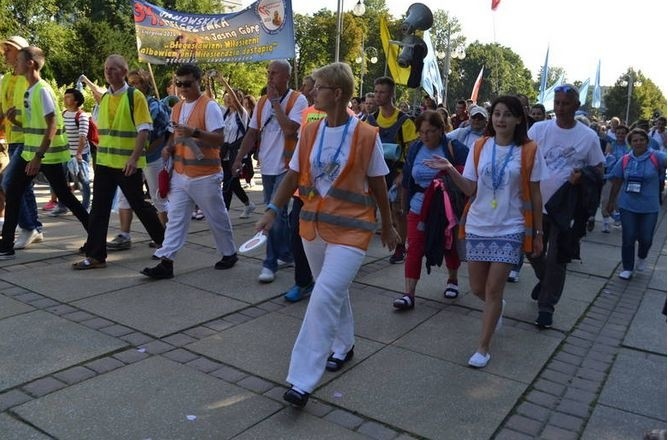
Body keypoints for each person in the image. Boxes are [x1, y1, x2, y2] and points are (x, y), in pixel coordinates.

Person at [256, 62, 399, 407]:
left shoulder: (365, 135)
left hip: (352, 232)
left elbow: (378, 182)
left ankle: (302, 380)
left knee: (322, 297)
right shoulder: (311, 130)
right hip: (314, 228)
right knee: (332, 293)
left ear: (336, 94)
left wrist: (388, 223)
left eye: (317, 87)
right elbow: (292, 175)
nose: (311, 91)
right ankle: (344, 345)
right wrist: (273, 210)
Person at [424, 95, 546, 368]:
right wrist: (448, 170)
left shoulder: (529, 150)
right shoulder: (480, 146)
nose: (500, 119)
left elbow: (536, 195)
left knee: (492, 290)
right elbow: (469, 188)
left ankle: (483, 347)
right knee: (478, 287)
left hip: (510, 227)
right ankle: (497, 308)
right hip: (479, 224)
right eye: (497, 114)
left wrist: (538, 233)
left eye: (507, 114)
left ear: (518, 119)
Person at [141, 63, 237, 279]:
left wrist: (195, 132)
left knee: (216, 216)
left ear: (198, 81)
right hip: (180, 174)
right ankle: (167, 261)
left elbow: (220, 139)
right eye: (179, 83)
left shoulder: (209, 106)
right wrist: (168, 147)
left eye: (187, 83)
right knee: (175, 218)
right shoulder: (177, 108)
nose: (183, 88)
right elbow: (175, 135)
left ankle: (229, 253)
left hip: (205, 175)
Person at [72, 54, 164, 270]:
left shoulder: (135, 96)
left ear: (124, 72)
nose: (109, 72)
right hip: (105, 162)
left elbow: (144, 129)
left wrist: (133, 158)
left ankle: (165, 242)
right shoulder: (104, 98)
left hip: (126, 164)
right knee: (99, 209)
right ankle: (95, 256)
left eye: (114, 69)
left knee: (139, 205)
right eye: (106, 69)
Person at [0, 46, 90, 259]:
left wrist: (38, 157)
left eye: (19, 61)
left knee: (66, 197)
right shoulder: (29, 89)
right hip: (30, 153)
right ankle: (6, 245)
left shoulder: (42, 89)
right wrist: (15, 121)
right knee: (12, 191)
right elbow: (35, 125)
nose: (15, 64)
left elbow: (51, 124)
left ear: (30, 63)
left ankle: (94, 234)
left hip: (47, 155)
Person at [527, 84, 605, 329]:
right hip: (535, 204)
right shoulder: (539, 129)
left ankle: (546, 307)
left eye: (566, 104)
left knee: (556, 259)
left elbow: (599, 170)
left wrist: (582, 175)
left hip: (565, 208)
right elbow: (522, 155)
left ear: (576, 106)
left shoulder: (588, 136)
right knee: (531, 250)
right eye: (557, 103)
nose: (560, 108)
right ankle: (546, 281)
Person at [232, 60, 308, 283]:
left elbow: (289, 129)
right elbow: (252, 132)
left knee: (272, 213)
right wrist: (239, 157)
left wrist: (276, 103)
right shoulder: (262, 101)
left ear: (286, 77)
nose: (269, 76)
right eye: (268, 72)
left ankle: (270, 263)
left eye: (274, 73)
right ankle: (286, 252)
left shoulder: (298, 100)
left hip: (287, 165)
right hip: (266, 165)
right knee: (279, 214)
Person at [391, 110, 469, 310]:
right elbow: (408, 180)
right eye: (422, 131)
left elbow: (468, 176)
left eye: (431, 131)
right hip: (418, 207)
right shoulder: (416, 148)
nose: (425, 136)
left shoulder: (454, 148)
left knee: (448, 244)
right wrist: (404, 205)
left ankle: (452, 280)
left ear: (441, 130)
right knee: (414, 247)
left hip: (446, 208)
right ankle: (409, 294)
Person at [107, 68, 171, 251]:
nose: (133, 85)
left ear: (146, 84)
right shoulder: (124, 102)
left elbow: (159, 135)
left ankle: (165, 235)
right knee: (124, 197)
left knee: (158, 196)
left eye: (137, 82)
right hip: (129, 158)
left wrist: (142, 153)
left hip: (151, 158)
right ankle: (124, 235)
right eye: (131, 82)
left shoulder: (154, 105)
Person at [366, 76, 418, 264]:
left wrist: (404, 174)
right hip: (375, 172)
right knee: (368, 209)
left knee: (398, 211)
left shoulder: (405, 121)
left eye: (383, 92)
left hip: (397, 172)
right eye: (377, 91)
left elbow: (412, 151)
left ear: (391, 94)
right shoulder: (370, 120)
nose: (379, 96)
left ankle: (400, 247)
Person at [0, 35, 44, 250]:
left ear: (20, 51)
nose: (4, 54)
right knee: (23, 188)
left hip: (28, 140)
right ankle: (33, 228)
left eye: (8, 50)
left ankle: (28, 228)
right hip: (13, 139)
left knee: (8, 183)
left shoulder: (28, 78)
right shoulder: (7, 79)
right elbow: (3, 108)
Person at [606, 128, 666, 280]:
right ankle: (627, 267)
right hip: (628, 205)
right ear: (630, 143)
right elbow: (617, 181)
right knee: (629, 236)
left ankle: (642, 257)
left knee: (646, 238)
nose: (638, 143)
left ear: (647, 141)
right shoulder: (625, 160)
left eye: (641, 140)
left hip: (649, 206)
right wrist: (611, 202)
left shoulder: (657, 157)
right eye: (635, 140)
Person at [218, 79, 254, 217]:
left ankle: (224, 212)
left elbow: (235, 101)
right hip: (226, 152)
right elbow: (210, 99)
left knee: (228, 181)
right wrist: (208, 82)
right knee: (232, 183)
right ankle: (248, 204)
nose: (229, 100)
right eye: (227, 98)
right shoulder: (226, 114)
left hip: (237, 153)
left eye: (231, 98)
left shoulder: (242, 114)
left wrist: (223, 82)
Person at [59, 88, 92, 213]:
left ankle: (85, 205)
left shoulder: (81, 116)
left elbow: (82, 136)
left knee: (83, 180)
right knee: (62, 181)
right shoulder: (63, 114)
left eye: (68, 97)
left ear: (76, 101)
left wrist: (78, 153)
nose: (65, 99)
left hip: (80, 153)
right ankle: (62, 206)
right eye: (65, 96)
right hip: (65, 154)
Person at [600, 124, 629, 232]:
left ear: (626, 134)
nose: (620, 135)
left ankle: (618, 219)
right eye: (618, 133)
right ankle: (606, 222)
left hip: (624, 177)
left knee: (620, 200)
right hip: (611, 176)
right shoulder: (611, 144)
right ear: (615, 134)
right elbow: (606, 159)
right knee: (606, 198)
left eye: (623, 133)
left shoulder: (629, 146)